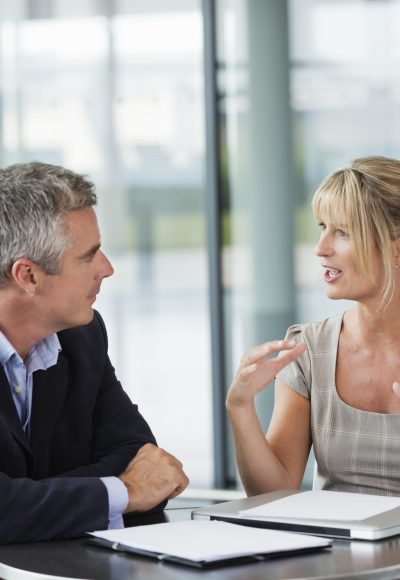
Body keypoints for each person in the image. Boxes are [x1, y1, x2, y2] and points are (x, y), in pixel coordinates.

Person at [0, 161, 189, 544]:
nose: (107, 269)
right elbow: (139, 485)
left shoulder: (82, 336)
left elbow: (141, 457)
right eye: (89, 256)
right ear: (28, 276)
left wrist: (28, 500)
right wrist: (123, 493)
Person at [227, 155, 400, 497]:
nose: (321, 249)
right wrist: (240, 406)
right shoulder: (308, 350)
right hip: (339, 549)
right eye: (322, 228)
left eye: (344, 233)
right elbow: (273, 495)